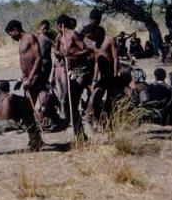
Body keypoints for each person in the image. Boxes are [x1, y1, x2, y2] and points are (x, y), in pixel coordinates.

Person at [5, 20, 46, 151]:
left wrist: (31, 77)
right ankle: (36, 139)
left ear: (16, 29)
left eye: (11, 33)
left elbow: (39, 58)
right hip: (27, 79)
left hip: (35, 78)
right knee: (26, 110)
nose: (11, 37)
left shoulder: (30, 38)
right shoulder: (21, 41)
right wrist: (22, 76)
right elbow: (25, 60)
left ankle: (36, 140)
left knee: (26, 110)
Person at [54, 14, 92, 142]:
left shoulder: (73, 34)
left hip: (81, 71)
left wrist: (72, 54)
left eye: (56, 24)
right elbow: (56, 52)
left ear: (60, 25)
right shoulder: (59, 37)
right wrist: (60, 53)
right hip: (70, 72)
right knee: (69, 102)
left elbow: (86, 50)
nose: (56, 27)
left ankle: (81, 134)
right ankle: (80, 134)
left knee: (73, 101)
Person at [82, 23, 119, 128]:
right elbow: (97, 62)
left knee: (110, 99)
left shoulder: (110, 40)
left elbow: (115, 57)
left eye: (91, 36)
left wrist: (115, 75)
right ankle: (95, 119)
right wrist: (95, 78)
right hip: (102, 76)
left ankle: (110, 122)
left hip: (111, 74)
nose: (91, 39)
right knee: (95, 96)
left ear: (95, 33)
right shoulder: (95, 44)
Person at [36, 20, 54, 84]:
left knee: (46, 78)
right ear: (40, 27)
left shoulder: (50, 35)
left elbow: (55, 44)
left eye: (47, 28)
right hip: (39, 61)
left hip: (47, 60)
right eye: (44, 28)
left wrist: (46, 37)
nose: (45, 30)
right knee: (40, 78)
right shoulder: (37, 36)